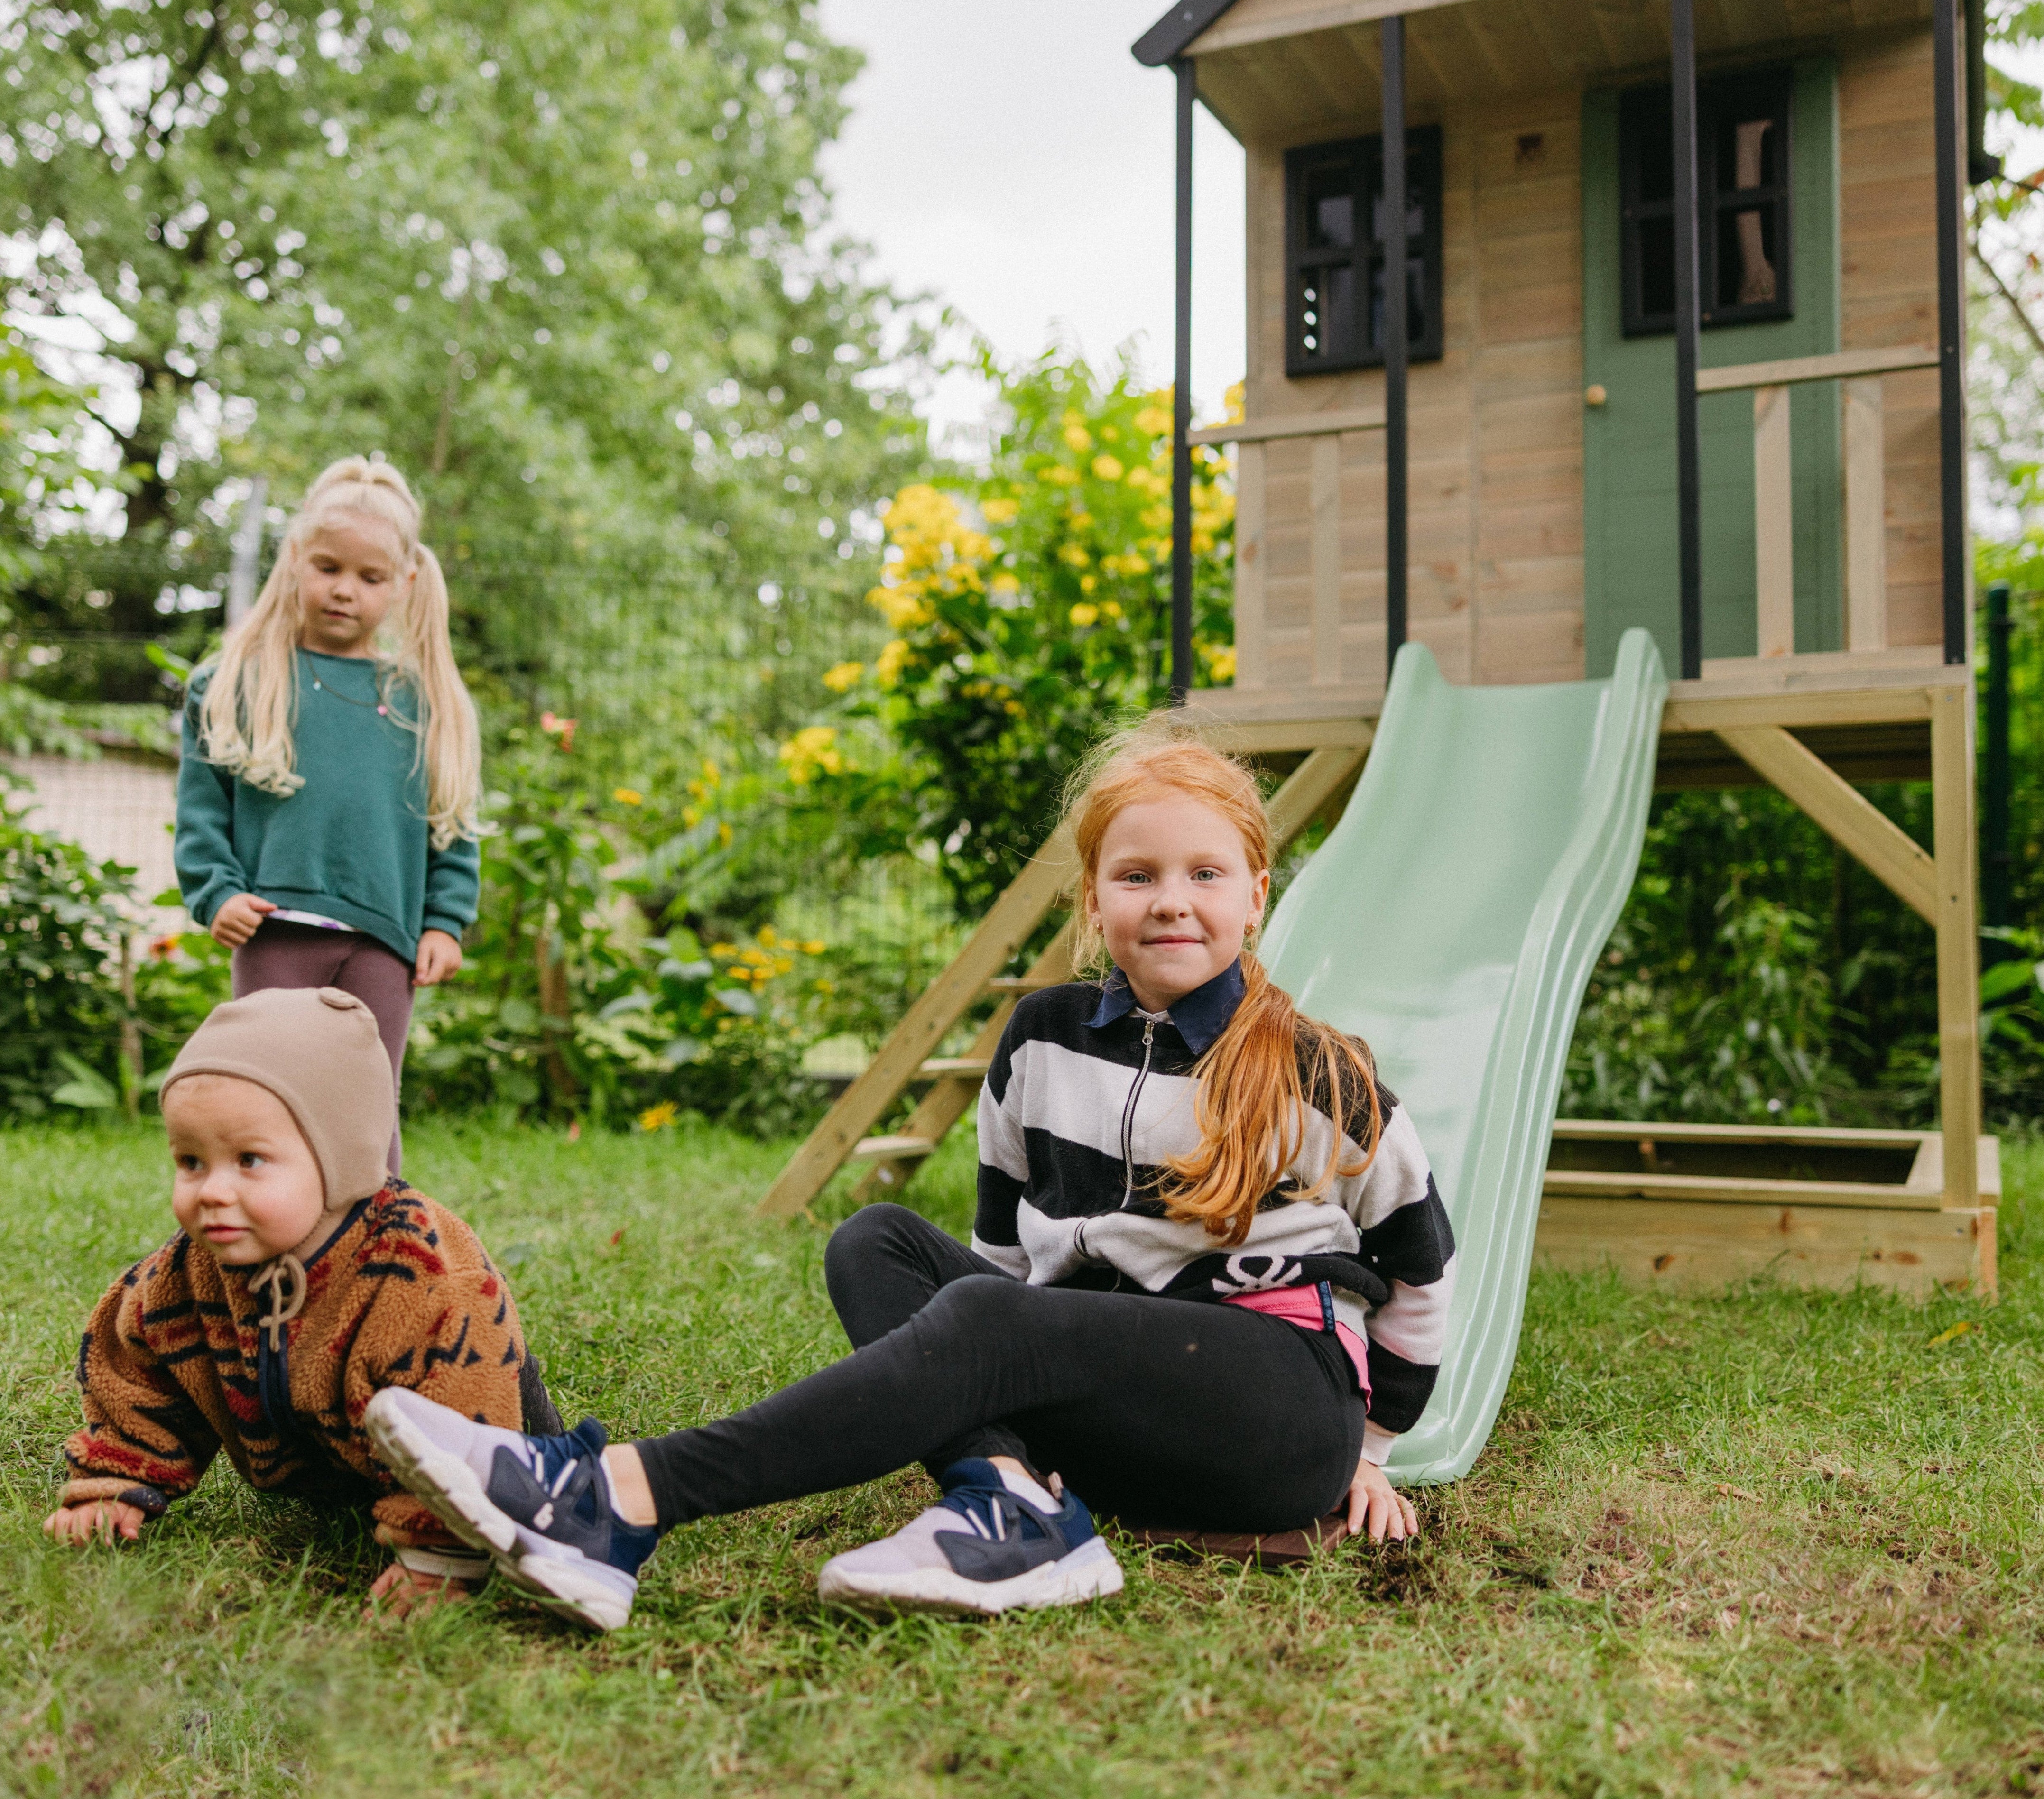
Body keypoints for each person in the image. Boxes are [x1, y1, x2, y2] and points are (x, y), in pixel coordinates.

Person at [365, 720, 1457, 1631]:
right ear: (1093, 897)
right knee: (875, 1240)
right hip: (1106, 1401)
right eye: (1137, 874)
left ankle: (616, 1496)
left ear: (1256, 894)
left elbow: (1422, 1260)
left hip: (1269, 1410)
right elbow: (994, 1252)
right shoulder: (1040, 1036)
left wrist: (1367, 1448)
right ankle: (1012, 1498)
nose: (1171, 900)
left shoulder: (1317, 1070)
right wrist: (989, 1371)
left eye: (1204, 873)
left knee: (989, 1320)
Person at [46, 987, 560, 1616]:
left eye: (250, 1160)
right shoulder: (188, 1273)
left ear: (339, 1158)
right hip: (326, 1457)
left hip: (495, 1441)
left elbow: (467, 1410)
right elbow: (134, 1368)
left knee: (491, 1438)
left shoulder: (417, 1275)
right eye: (191, 1161)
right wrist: (121, 1476)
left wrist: (440, 1555)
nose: (212, 1190)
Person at [175, 458, 482, 1173]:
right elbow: (201, 810)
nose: (345, 590)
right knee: (269, 1100)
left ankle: (383, 1254)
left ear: (404, 583)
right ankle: (267, 1253)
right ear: (294, 561)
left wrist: (444, 919)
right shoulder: (231, 685)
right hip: (276, 929)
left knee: (370, 1101)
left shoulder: (423, 700)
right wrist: (215, 891)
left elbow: (453, 818)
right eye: (327, 567)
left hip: (385, 940)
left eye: (370, 578)